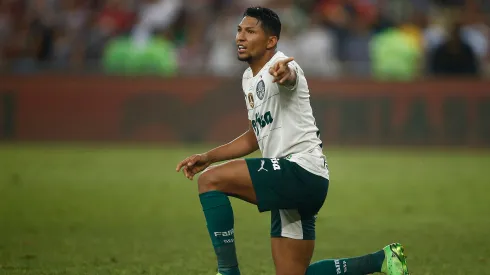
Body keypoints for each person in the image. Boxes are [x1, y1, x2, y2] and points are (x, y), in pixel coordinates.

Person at [176, 6, 410, 275]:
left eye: (250, 32)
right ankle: (383, 259)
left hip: (300, 171)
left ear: (271, 41)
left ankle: (227, 271)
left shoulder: (283, 65)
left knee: (210, 181)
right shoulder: (248, 79)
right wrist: (208, 157)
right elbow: (256, 136)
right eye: (239, 30)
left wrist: (286, 75)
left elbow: (290, 77)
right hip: (299, 182)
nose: (240, 37)